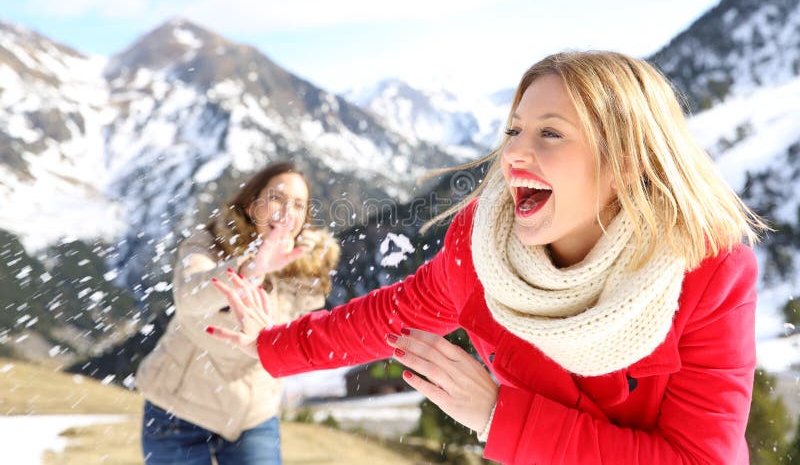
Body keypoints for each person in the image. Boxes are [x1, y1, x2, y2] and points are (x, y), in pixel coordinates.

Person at [207, 51, 766, 464]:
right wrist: (269, 345)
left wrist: (498, 416)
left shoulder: (709, 275)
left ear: (625, 163)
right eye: (515, 130)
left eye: (551, 134)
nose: (515, 153)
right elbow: (386, 320)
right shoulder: (482, 249)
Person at [135, 161, 340, 465]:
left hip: (253, 417)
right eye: (276, 199)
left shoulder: (304, 268)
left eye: (299, 205)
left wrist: (313, 267)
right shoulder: (208, 243)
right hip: (178, 411)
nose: (287, 212)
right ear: (251, 203)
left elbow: (301, 334)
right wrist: (250, 270)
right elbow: (189, 296)